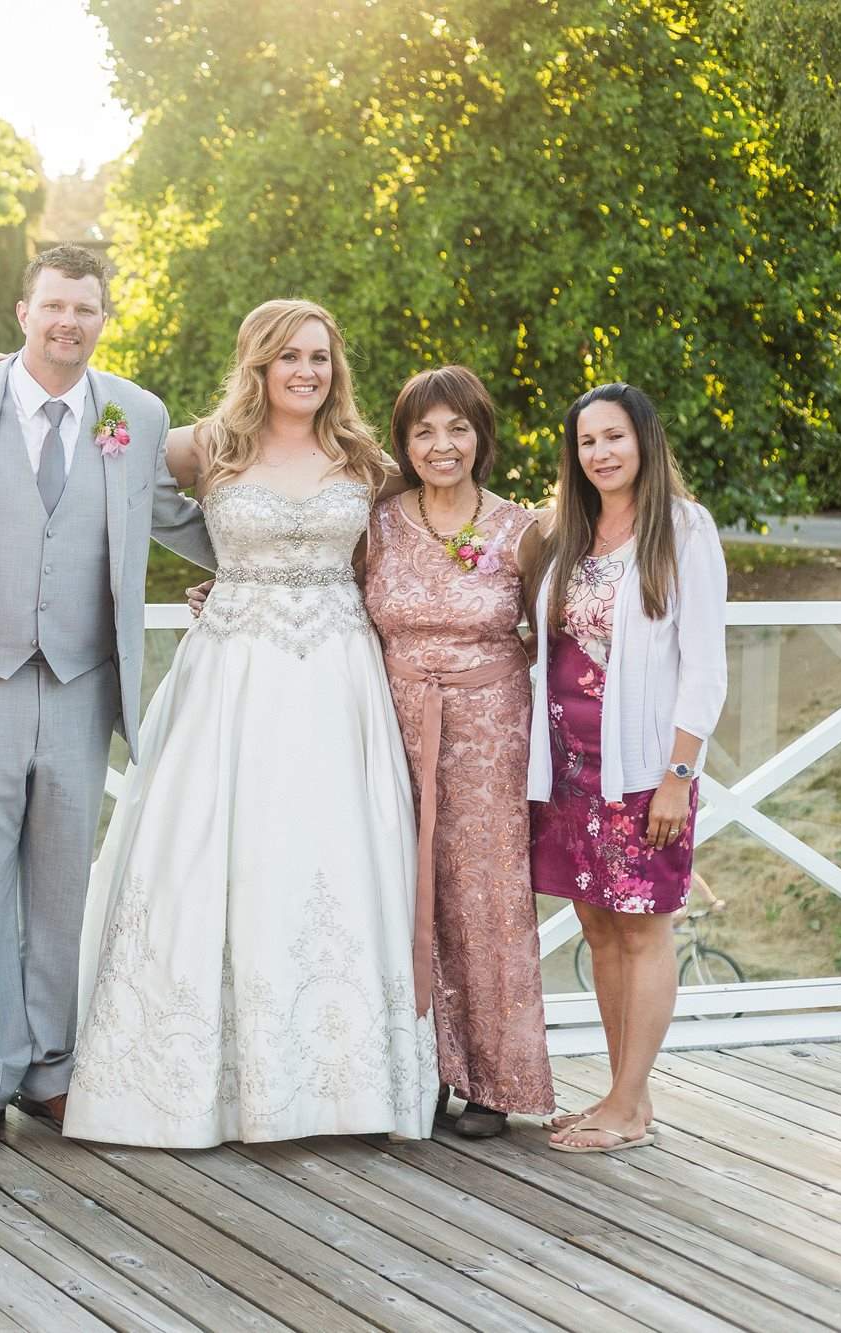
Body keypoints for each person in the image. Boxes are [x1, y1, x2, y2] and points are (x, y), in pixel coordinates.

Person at [63, 298, 436, 1148]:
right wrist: (225, 568)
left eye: (320, 356)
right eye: (289, 356)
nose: (307, 371)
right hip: (232, 676)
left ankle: (344, 1085)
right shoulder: (209, 445)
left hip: (339, 678)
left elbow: (430, 523)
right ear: (258, 364)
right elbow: (97, 442)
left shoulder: (364, 458)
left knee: (337, 851)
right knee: (219, 852)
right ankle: (205, 1083)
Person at [0, 245, 216, 1146]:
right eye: (54, 305)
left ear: (104, 319)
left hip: (82, 684)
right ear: (23, 312)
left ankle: (50, 1069)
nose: (68, 321)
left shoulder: (135, 413)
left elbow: (173, 515)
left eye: (85, 308)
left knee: (61, 887)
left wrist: (269, 567)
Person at [528, 381, 726, 1154]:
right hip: (570, 771)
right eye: (587, 441)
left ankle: (627, 1101)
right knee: (600, 927)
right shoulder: (570, 529)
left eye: (614, 436)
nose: (601, 452)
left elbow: (704, 667)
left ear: (644, 438)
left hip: (644, 772)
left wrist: (679, 774)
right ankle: (623, 1097)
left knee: (644, 930)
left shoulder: (684, 528)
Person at [363, 365, 555, 1138]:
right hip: (392, 724)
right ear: (404, 443)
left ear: (481, 436)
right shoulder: (377, 523)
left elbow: (553, 633)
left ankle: (493, 1080)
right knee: (400, 888)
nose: (442, 445)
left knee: (483, 897)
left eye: (457, 428)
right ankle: (418, 1067)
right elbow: (328, 599)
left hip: (490, 735)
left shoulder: (522, 529)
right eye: (424, 431)